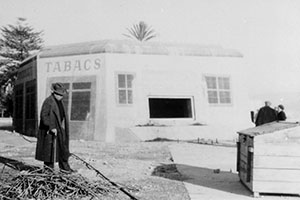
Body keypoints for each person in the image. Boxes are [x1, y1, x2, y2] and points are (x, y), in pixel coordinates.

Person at [35, 83, 76, 173]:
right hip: (49, 130)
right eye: (59, 95)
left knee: (63, 149)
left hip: (59, 128)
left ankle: (65, 168)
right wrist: (51, 127)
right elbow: (44, 116)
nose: (61, 97)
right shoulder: (48, 101)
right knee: (49, 152)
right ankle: (48, 171)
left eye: (62, 95)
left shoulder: (59, 102)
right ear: (54, 93)